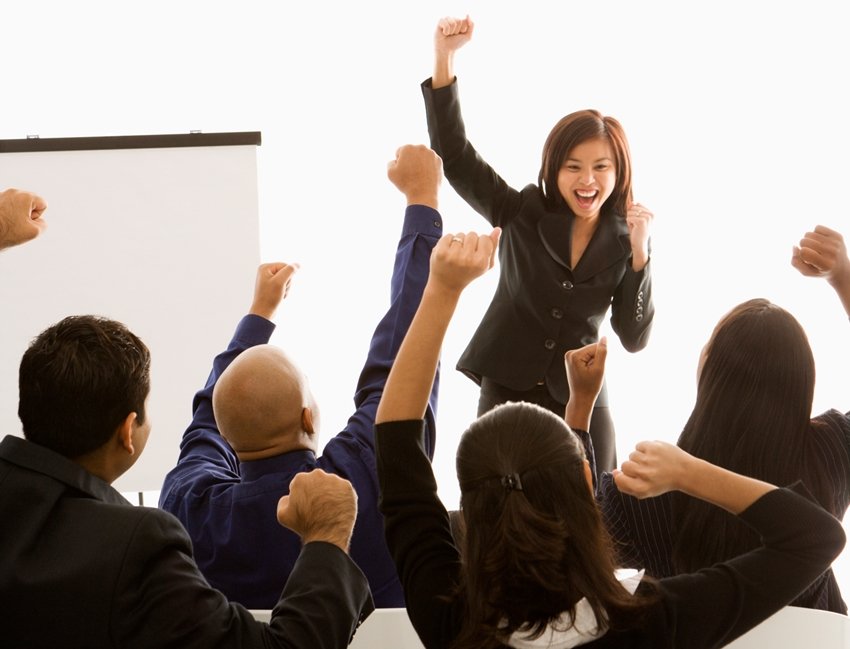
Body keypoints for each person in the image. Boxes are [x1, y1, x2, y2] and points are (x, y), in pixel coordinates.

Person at [372, 229, 845, 648]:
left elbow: (397, 454)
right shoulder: (650, 623)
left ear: (468, 513)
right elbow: (816, 537)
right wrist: (685, 472)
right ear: (583, 474)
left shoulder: (450, 622)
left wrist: (442, 290)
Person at [159, 144, 444, 608]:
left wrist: (259, 314)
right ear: (308, 417)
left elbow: (208, 420)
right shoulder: (358, 484)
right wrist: (423, 203)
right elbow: (402, 364)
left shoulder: (188, 510)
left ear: (228, 440)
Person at [0, 315, 373, 649]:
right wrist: (325, 536)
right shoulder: (136, 548)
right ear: (129, 431)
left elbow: (204, 432)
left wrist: (257, 319)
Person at [420, 15, 655, 472]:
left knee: (592, 510)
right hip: (507, 386)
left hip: (582, 396)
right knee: (497, 505)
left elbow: (633, 337)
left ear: (619, 171)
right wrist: (444, 58)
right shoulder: (522, 211)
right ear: (554, 168)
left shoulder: (628, 240)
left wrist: (642, 256)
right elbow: (456, 157)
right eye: (573, 167)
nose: (588, 180)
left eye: (601, 167)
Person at [597, 224, 850, 613]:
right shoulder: (832, 454)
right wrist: (843, 277)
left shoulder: (636, 493)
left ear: (709, 368)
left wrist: (580, 408)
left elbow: (577, 562)